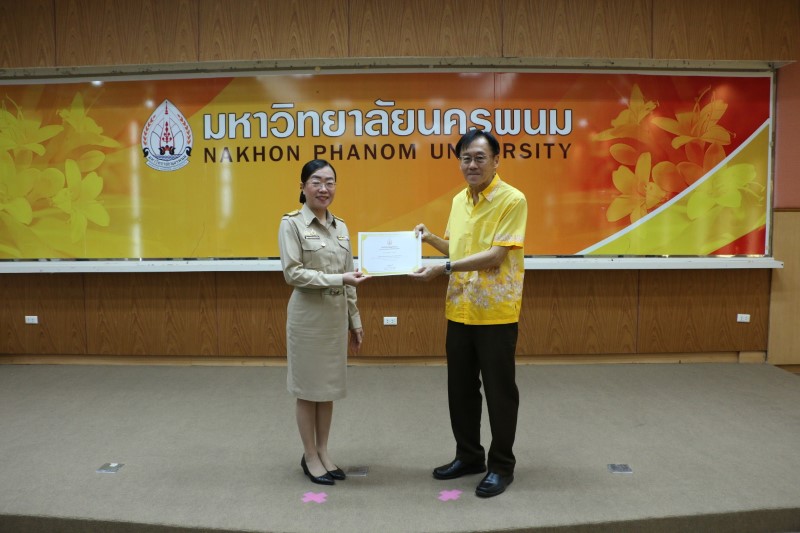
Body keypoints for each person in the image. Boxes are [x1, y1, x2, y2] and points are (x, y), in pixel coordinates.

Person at [410, 129, 527, 498]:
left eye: (479, 157)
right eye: (465, 158)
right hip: (460, 308)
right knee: (460, 390)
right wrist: (430, 238)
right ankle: (469, 456)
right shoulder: (459, 200)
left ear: (496, 161)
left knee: (499, 392)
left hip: (495, 313)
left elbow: (495, 256)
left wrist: (444, 269)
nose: (472, 164)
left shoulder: (512, 199)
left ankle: (501, 466)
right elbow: (456, 251)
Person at [278, 159, 369, 486]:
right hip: (307, 319)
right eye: (316, 181)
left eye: (330, 182)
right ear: (303, 187)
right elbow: (293, 273)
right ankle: (309, 455)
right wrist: (339, 278)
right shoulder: (291, 224)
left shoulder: (340, 227)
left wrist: (354, 319)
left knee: (327, 389)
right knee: (308, 390)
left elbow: (350, 278)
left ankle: (323, 451)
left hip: (334, 319)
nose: (323, 188)